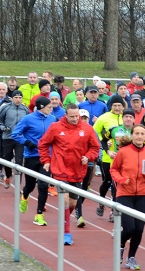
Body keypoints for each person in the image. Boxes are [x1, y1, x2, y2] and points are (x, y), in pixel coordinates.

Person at [38, 104, 101, 245]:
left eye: (76, 116)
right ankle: (67, 232)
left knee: (72, 202)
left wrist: (88, 157)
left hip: (78, 171)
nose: (74, 119)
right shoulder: (55, 127)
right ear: (65, 115)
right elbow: (43, 144)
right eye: (71, 116)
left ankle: (65, 219)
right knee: (65, 199)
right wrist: (46, 160)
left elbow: (95, 147)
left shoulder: (87, 129)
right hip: (60, 170)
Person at [110, 124, 145, 269]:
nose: (139, 136)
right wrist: (121, 180)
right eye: (136, 133)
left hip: (142, 194)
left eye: (142, 134)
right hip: (125, 194)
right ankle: (121, 245)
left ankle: (131, 257)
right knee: (129, 228)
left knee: (139, 229)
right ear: (132, 135)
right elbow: (114, 169)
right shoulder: (123, 152)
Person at [12, 97, 57, 226]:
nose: (51, 109)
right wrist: (27, 143)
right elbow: (15, 134)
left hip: (46, 158)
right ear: (42, 107)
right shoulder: (28, 119)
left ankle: (39, 214)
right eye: (49, 107)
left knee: (43, 186)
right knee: (30, 186)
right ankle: (25, 196)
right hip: (31, 156)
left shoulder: (52, 119)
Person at [0, 90, 29, 188]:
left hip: (20, 139)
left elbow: (28, 122)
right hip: (7, 137)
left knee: (19, 161)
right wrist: (3, 128)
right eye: (16, 98)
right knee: (7, 160)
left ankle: (18, 185)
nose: (18, 100)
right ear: (12, 98)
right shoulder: (5, 108)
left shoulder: (25, 109)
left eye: (20, 98)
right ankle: (8, 176)